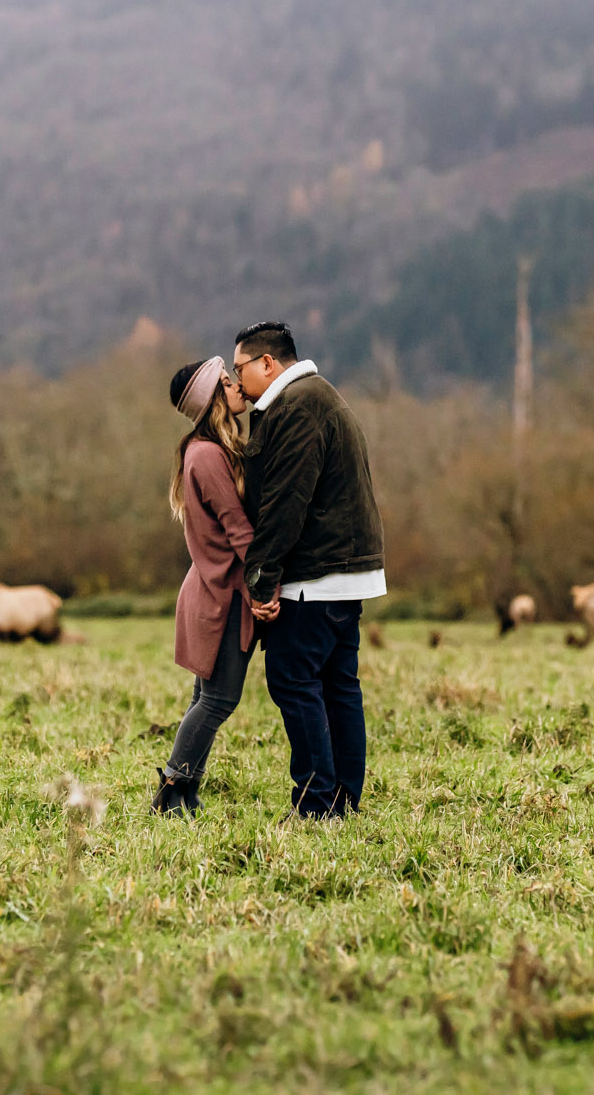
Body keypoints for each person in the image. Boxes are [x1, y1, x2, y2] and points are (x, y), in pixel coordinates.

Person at [231, 321, 385, 818]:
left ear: (268, 363)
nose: (238, 381)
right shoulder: (318, 397)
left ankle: (317, 803)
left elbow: (285, 501)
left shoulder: (297, 407)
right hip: (346, 569)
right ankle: (343, 801)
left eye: (241, 368)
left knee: (293, 680)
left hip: (316, 573)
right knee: (339, 684)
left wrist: (260, 576)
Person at [152, 355, 257, 815]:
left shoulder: (203, 450)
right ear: (213, 397)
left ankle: (185, 793)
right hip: (222, 596)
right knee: (218, 700)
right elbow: (240, 532)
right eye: (227, 381)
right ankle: (171, 789)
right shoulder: (210, 456)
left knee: (207, 698)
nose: (237, 385)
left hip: (208, 589)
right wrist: (265, 587)